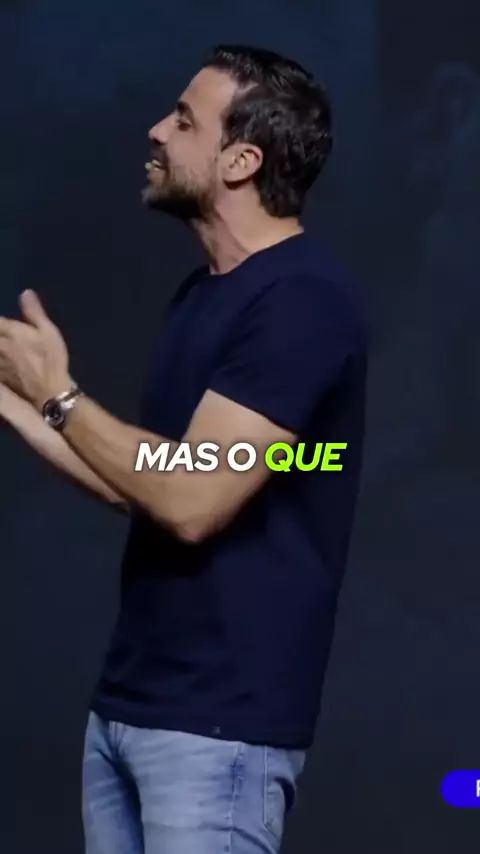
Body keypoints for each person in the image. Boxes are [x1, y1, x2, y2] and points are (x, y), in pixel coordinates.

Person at [0, 44, 367, 854]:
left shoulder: (302, 302)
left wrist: (57, 394)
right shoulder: (205, 295)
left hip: (215, 731)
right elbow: (141, 482)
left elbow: (194, 500)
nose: (157, 131)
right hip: (131, 709)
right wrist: (13, 399)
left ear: (242, 161)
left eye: (184, 120)